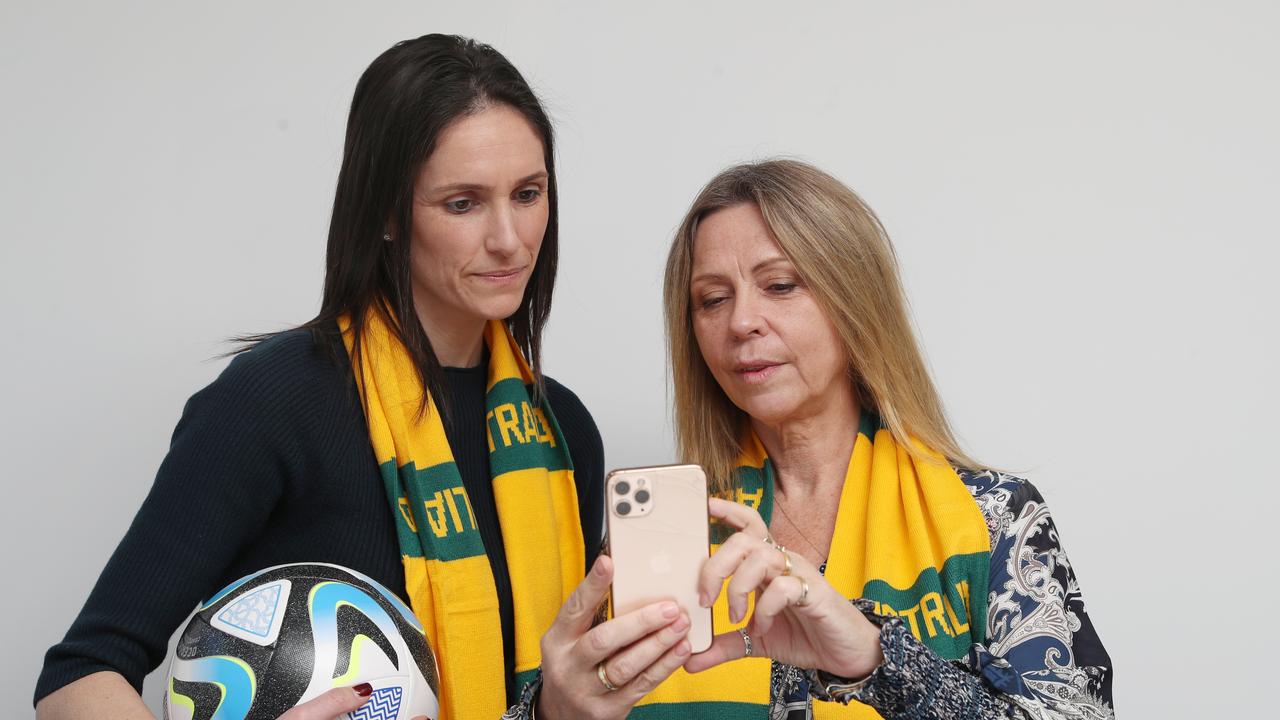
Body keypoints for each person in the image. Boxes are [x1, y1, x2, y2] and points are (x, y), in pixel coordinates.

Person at [34, 34, 691, 720]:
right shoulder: (272, 403)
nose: (509, 238)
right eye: (462, 203)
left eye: (527, 194)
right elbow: (79, 677)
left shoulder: (561, 431)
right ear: (384, 213)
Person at [644, 159, 1110, 718]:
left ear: (855, 301)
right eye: (712, 299)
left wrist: (876, 658)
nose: (742, 321)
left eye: (781, 285)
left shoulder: (996, 518)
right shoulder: (658, 538)